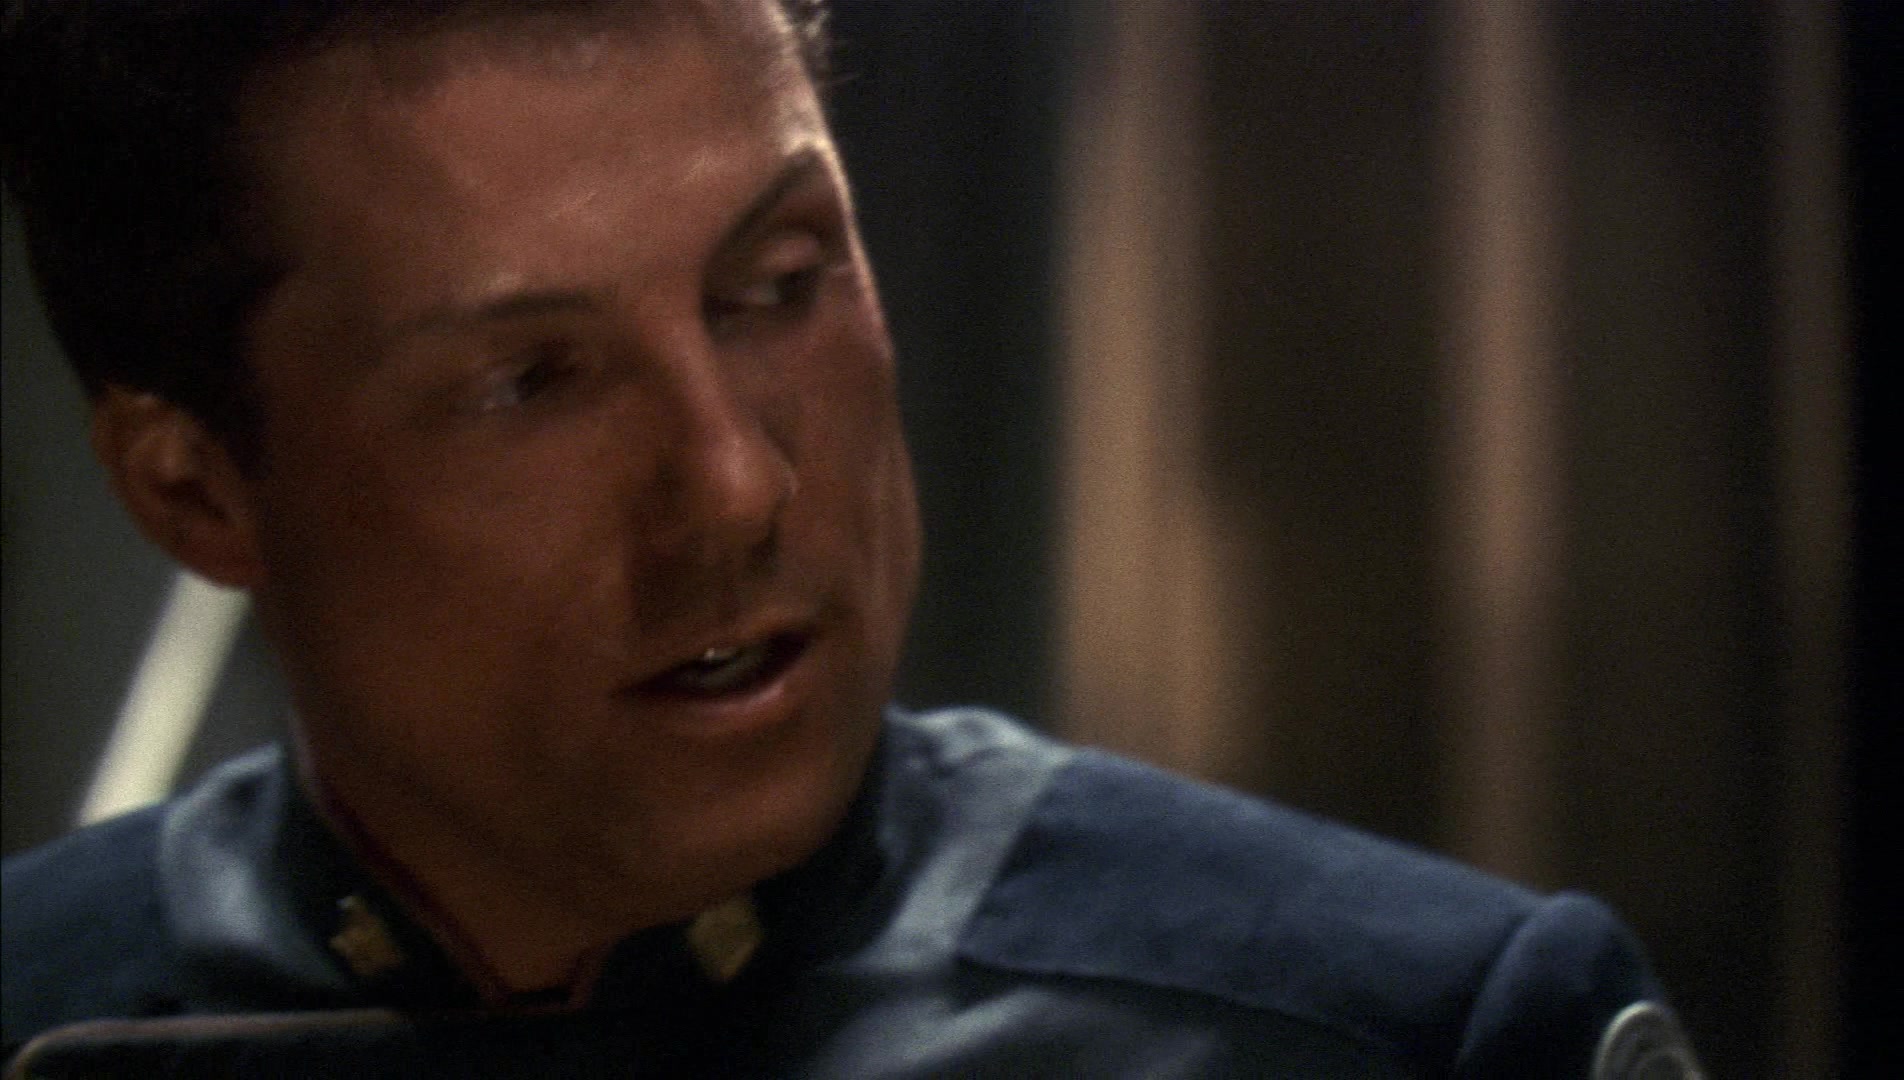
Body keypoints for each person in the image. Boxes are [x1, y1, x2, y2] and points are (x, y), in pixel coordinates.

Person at [0, 1, 1703, 1075]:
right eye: (530, 382)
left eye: (777, 284)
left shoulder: (1410, 1034)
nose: (736, 487)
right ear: (193, 489)